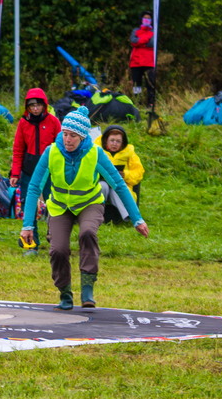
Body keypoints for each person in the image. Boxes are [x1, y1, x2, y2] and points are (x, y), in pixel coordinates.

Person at [19, 106, 148, 310]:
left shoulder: (95, 153)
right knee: (58, 250)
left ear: (82, 137)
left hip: (89, 203)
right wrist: (27, 225)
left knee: (87, 233)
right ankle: (65, 293)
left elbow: (119, 185)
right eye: (65, 134)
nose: (67, 140)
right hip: (60, 206)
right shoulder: (51, 152)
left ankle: (87, 290)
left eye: (73, 136)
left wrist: (136, 219)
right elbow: (34, 187)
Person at [9, 88, 61, 253]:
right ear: (27, 107)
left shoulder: (53, 122)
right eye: (32, 106)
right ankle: (32, 244)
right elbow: (18, 150)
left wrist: (60, 170)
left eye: (38, 105)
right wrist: (15, 173)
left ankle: (56, 241)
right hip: (29, 171)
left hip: (50, 171)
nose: (35, 108)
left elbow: (60, 148)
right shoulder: (23, 123)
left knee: (55, 206)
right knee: (27, 207)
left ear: (44, 105)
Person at [94, 125, 145, 222]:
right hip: (100, 183)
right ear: (106, 141)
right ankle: (95, 215)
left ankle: (127, 217)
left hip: (120, 184)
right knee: (102, 186)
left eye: (118, 141)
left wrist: (125, 175)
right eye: (112, 140)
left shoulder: (130, 154)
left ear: (123, 143)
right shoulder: (95, 151)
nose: (114, 144)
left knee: (117, 189)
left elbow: (139, 172)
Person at [129, 11, 156, 109]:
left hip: (149, 61)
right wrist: (147, 38)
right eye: (145, 18)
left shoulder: (154, 31)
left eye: (149, 18)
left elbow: (152, 44)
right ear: (141, 19)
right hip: (136, 62)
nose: (147, 20)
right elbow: (133, 41)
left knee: (150, 84)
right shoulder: (136, 30)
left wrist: (140, 40)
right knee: (137, 85)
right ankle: (137, 103)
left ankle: (150, 104)